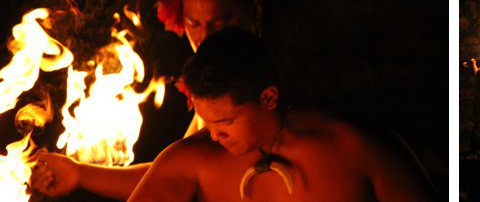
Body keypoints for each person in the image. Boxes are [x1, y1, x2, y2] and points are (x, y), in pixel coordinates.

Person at [29, 0, 263, 199]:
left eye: (219, 23)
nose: (206, 38)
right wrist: (78, 173)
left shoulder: (261, 88)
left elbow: (181, 174)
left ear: (254, 11)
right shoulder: (212, 85)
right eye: (194, 24)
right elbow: (174, 173)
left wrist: (81, 174)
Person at [122, 28, 439, 202]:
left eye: (226, 122)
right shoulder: (192, 158)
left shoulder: (354, 145)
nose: (215, 135)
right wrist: (79, 173)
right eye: (207, 121)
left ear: (268, 98)